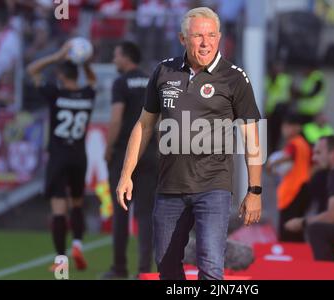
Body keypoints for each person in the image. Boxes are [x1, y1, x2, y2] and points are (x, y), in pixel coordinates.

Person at [116, 7, 262, 280]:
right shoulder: (163, 72)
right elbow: (144, 125)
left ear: (219, 38)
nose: (205, 42)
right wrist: (126, 174)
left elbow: (251, 134)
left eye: (211, 35)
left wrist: (255, 190)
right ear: (183, 39)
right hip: (170, 187)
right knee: (166, 266)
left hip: (213, 188)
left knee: (210, 265)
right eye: (198, 36)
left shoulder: (234, 77)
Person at [27, 42, 97, 271]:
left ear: (60, 75)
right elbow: (93, 80)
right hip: (79, 157)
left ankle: (61, 261)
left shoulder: (55, 93)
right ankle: (77, 244)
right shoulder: (88, 94)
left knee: (59, 209)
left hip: (58, 157)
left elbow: (32, 71)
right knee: (76, 203)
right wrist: (84, 62)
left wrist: (56, 55)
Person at [101, 41, 158, 279]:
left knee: (121, 213)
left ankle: (119, 268)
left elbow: (116, 119)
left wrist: (109, 147)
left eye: (116, 56)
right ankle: (144, 271)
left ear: (126, 58)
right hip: (150, 153)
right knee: (145, 215)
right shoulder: (153, 80)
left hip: (125, 153)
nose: (114, 60)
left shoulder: (121, 82)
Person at [266, 114, 311, 242]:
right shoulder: (303, 143)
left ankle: (289, 254)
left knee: (288, 228)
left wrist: (271, 164)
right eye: (284, 127)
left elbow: (289, 156)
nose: (285, 130)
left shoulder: (294, 144)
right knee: (297, 228)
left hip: (293, 189)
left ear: (297, 128)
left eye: (288, 126)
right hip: (303, 187)